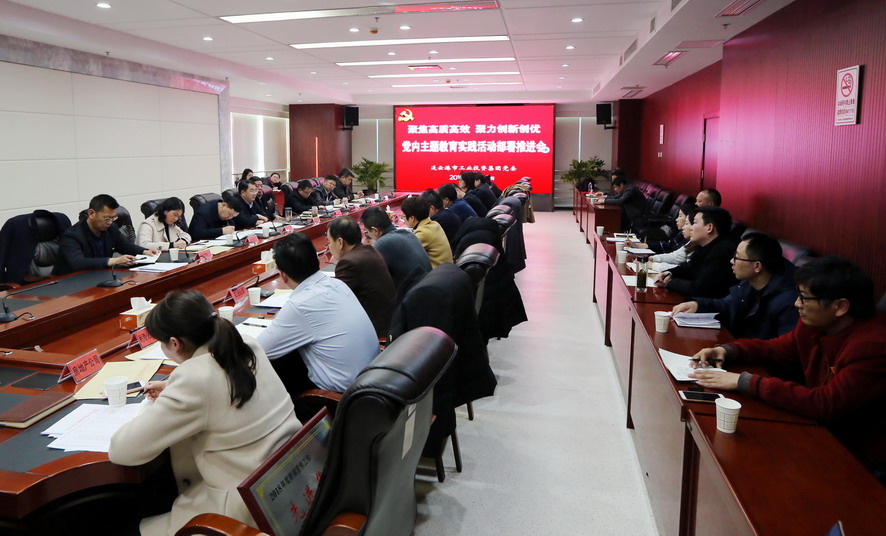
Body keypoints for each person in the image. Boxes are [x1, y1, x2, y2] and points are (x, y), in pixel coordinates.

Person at [109, 290, 301, 536]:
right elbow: (224, 383)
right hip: (287, 483)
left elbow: (122, 451)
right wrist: (173, 388)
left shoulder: (194, 379)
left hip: (241, 511)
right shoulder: (246, 345)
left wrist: (172, 396)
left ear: (175, 343)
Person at [689, 257, 886, 478]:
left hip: (858, 458)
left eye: (804, 298)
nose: (796, 304)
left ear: (840, 307)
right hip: (818, 430)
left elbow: (824, 403)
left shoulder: (872, 347)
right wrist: (728, 351)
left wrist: (744, 381)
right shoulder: (816, 323)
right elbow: (776, 349)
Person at [256, 233, 379, 396]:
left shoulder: (300, 305)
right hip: (371, 378)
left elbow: (259, 350)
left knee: (273, 364)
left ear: (283, 275)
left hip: (341, 396)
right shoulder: (337, 284)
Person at [672, 232, 798, 339]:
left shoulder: (789, 301)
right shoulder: (750, 281)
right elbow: (728, 305)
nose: (731, 261)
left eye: (736, 257)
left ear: (757, 266)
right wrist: (698, 305)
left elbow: (783, 349)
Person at [327, 216, 396, 339]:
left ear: (340, 242)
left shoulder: (348, 263)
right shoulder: (369, 250)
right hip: (391, 322)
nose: (329, 246)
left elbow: (332, 300)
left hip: (377, 332)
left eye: (330, 242)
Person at [54, 194, 158, 275]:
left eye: (113, 218)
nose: (110, 222)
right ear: (91, 213)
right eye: (107, 218)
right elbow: (78, 262)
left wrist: (144, 251)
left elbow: (125, 246)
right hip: (69, 281)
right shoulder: (72, 235)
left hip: (99, 274)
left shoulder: (110, 228)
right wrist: (113, 261)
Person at [655, 206, 737, 298]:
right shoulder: (704, 245)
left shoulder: (723, 252)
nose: (691, 228)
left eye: (694, 223)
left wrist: (670, 282)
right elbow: (689, 268)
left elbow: (701, 289)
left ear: (709, 228)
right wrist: (669, 273)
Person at [360, 206, 431, 289]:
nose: (367, 235)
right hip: (429, 286)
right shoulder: (406, 233)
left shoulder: (383, 243)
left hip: (416, 293)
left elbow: (371, 276)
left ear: (375, 230)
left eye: (367, 232)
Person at [401, 195, 453, 268]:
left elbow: (405, 253)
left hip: (438, 272)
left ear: (412, 218)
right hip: (447, 269)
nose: (403, 219)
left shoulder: (423, 233)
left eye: (403, 216)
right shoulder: (434, 224)